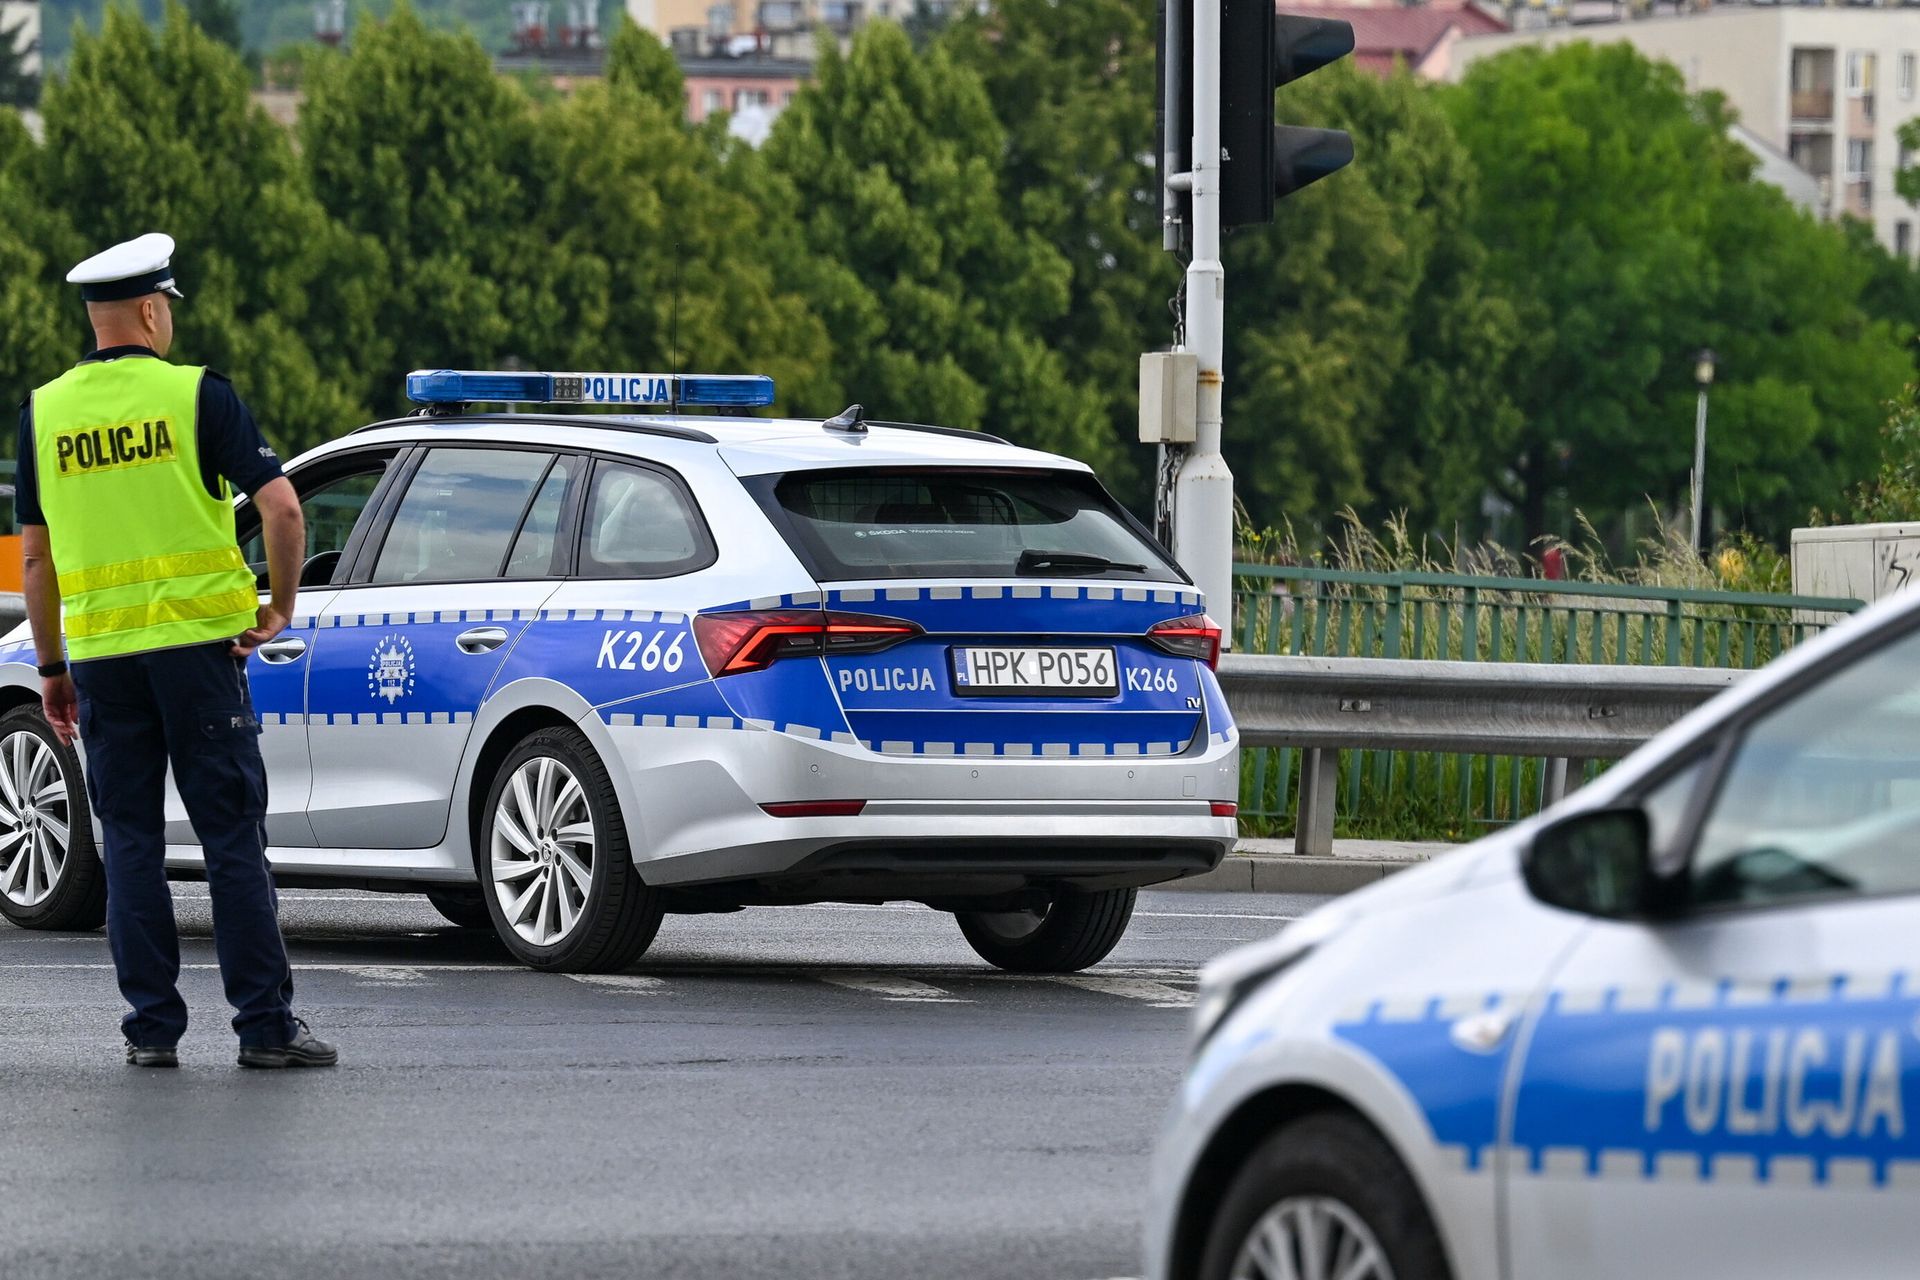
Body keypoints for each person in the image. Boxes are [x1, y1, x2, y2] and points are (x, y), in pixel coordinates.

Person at [17, 232, 337, 1069]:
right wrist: (281, 607)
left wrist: (51, 670)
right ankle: (264, 1029)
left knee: (129, 843)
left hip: (102, 660)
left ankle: (151, 1030)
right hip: (200, 655)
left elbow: (36, 561)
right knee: (230, 840)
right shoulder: (197, 395)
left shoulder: (44, 412)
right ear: (152, 311)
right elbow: (284, 509)